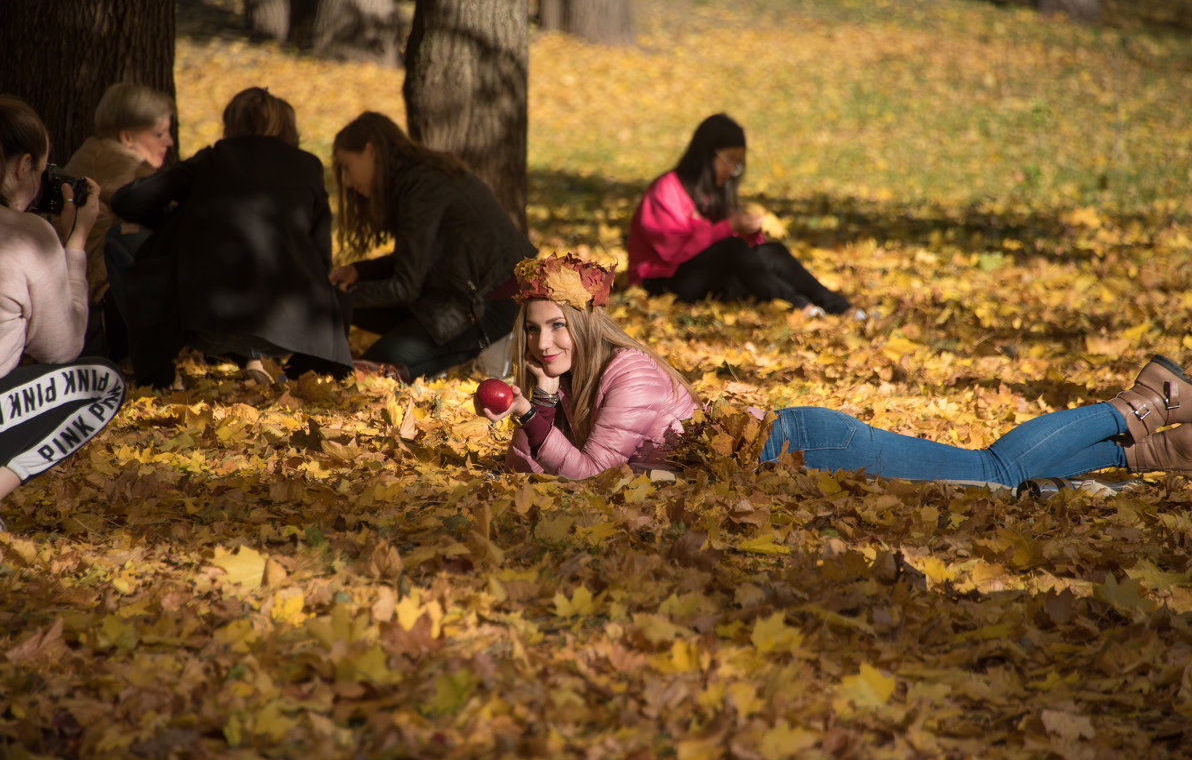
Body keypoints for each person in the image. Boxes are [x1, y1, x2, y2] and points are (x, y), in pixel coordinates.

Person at [476, 253, 1192, 483]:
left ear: (584, 325)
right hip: (784, 461)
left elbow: (591, 477)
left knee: (991, 476)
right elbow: (530, 467)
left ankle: (1144, 401)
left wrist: (535, 418)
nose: (543, 344)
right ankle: (1143, 449)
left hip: (805, 444)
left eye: (556, 329)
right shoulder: (564, 387)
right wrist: (530, 416)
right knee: (1003, 490)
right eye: (533, 331)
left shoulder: (625, 374)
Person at [112, 87, 353, 387]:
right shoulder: (309, 166)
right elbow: (322, 256)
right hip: (294, 327)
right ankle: (295, 376)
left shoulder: (215, 159)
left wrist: (175, 219)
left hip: (204, 321)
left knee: (120, 240)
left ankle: (158, 375)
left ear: (232, 125)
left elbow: (128, 201)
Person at [0, 95, 125, 536]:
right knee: (103, 382)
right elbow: (62, 348)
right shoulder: (27, 234)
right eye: (42, 172)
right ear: (21, 166)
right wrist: (73, 244)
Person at [328, 111, 536, 382]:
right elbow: (415, 258)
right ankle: (442, 350)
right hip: (459, 295)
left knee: (372, 371)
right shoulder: (417, 178)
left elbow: (405, 286)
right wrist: (359, 272)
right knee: (352, 307)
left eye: (347, 167)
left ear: (370, 151)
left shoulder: (420, 186)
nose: (347, 182)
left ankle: (480, 350)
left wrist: (338, 298)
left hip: (489, 305)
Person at [627, 113, 853, 317]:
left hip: (705, 278)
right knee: (731, 248)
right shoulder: (665, 189)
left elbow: (737, 251)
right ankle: (798, 308)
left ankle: (840, 308)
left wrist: (749, 232)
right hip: (661, 283)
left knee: (772, 252)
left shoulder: (712, 193)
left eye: (738, 163)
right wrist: (730, 226)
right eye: (730, 160)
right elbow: (674, 251)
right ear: (707, 154)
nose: (733, 170)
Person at [64, 82, 176, 360]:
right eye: (159, 134)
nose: (170, 142)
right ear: (127, 137)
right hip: (104, 301)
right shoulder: (123, 163)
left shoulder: (95, 151)